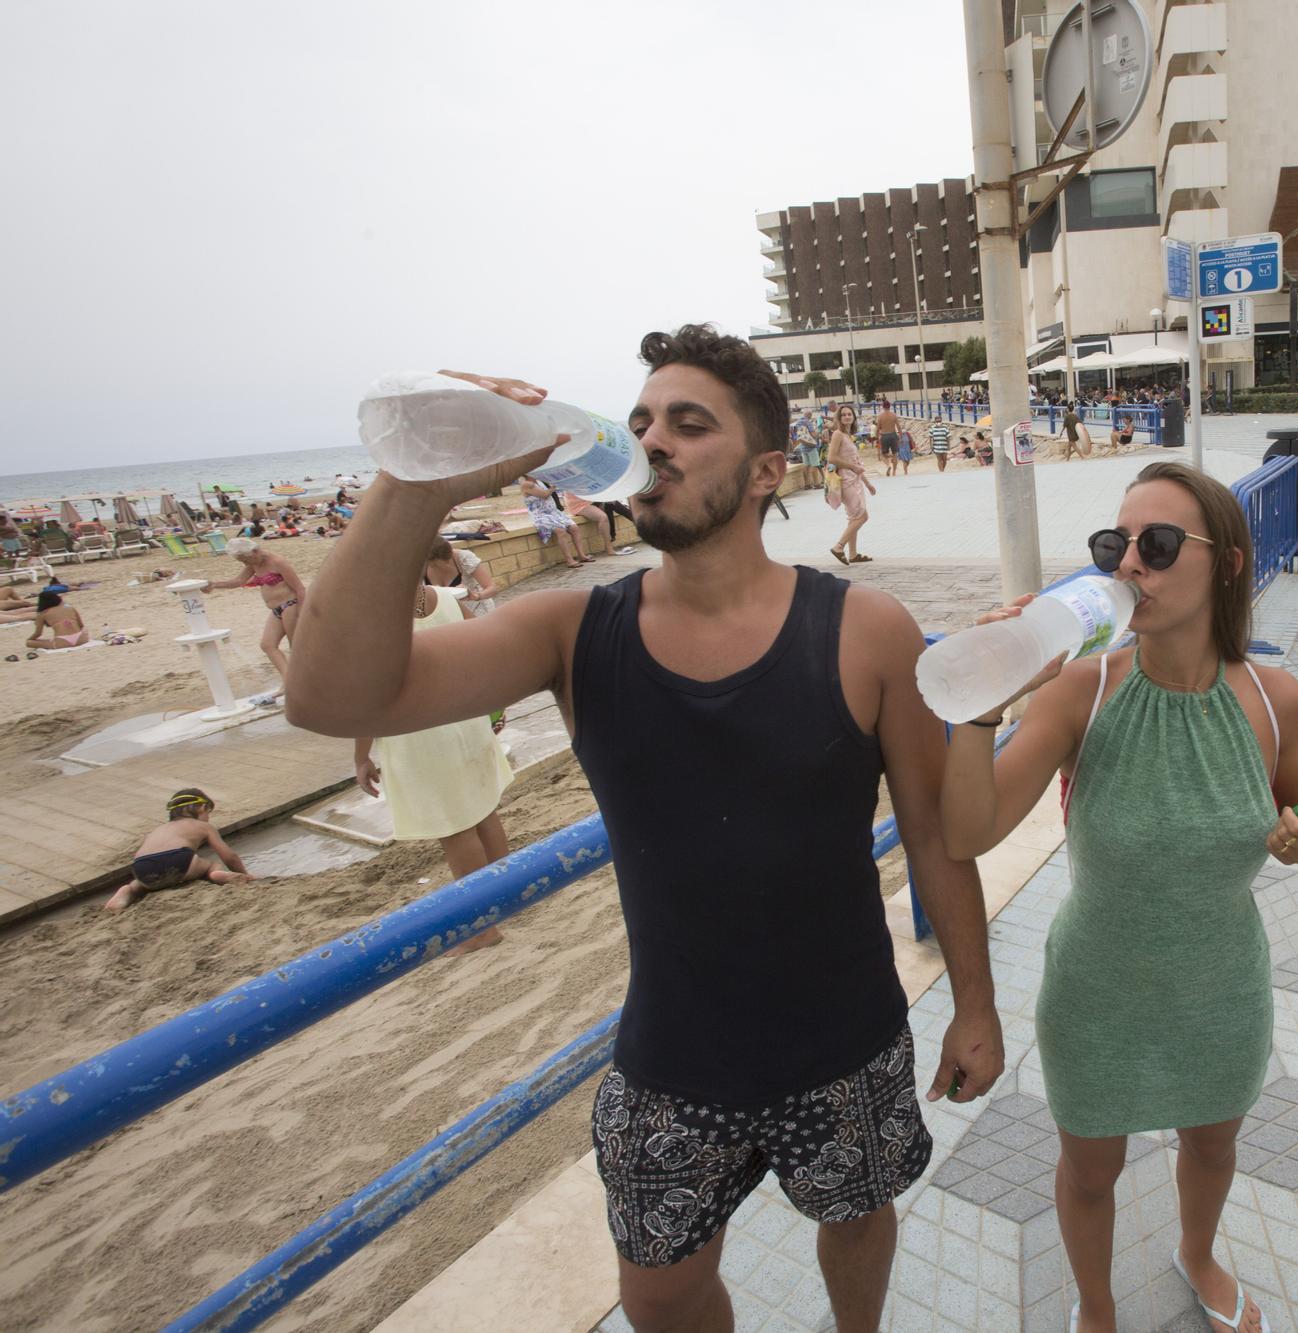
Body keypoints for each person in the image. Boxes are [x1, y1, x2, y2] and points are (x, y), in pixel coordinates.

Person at [286, 325, 1003, 1331]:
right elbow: (326, 693)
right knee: (657, 1292)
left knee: (855, 1214)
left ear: (763, 471)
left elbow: (932, 837)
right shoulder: (574, 633)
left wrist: (975, 1002)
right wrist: (417, 481)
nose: (652, 440)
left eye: (687, 422)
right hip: (673, 1057)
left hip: (848, 1043)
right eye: (639, 422)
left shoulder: (862, 629)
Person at [939, 460, 1298, 1333]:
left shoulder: (1277, 699)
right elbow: (968, 831)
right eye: (1116, 546)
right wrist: (978, 703)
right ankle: (1098, 1305)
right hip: (1097, 990)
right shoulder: (1085, 690)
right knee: (1088, 1170)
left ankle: (1197, 1253)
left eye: (1157, 545)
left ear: (1226, 562)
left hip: (1221, 985)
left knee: (1214, 1142)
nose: (1130, 568)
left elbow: (1295, 812)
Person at [353, 581, 513, 954]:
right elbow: (489, 644)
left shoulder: (378, 617)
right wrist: (494, 700)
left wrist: (361, 756)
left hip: (420, 732)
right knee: (483, 812)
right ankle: (510, 895)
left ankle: (482, 928)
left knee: (455, 828)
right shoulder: (443, 598)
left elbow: (368, 696)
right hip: (463, 716)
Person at [103, 788, 253, 912]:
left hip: (142, 868)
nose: (208, 818)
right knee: (210, 864)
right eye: (208, 813)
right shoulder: (204, 826)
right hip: (177, 861)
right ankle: (217, 874)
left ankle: (124, 893)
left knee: (136, 886)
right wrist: (244, 874)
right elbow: (229, 857)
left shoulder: (157, 830)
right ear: (202, 808)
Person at [210, 537, 306, 681]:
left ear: (255, 551)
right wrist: (213, 585)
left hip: (290, 605)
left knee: (296, 647)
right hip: (276, 609)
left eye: (246, 560)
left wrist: (303, 612)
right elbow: (239, 581)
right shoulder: (254, 562)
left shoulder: (277, 562)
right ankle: (288, 681)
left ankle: (303, 682)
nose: (245, 563)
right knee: (267, 645)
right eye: (242, 561)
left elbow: (299, 588)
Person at [825, 403, 877, 565]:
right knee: (862, 516)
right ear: (839, 418)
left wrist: (867, 484)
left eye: (850, 414)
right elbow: (831, 459)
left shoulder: (847, 436)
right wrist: (852, 467)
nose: (847, 416)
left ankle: (853, 554)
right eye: (844, 414)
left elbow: (856, 462)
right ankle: (839, 546)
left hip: (854, 479)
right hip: (845, 480)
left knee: (854, 517)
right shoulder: (838, 434)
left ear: (853, 417)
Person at [518, 475, 591, 567]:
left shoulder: (540, 481)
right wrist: (553, 487)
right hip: (540, 515)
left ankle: (582, 555)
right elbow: (545, 495)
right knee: (561, 531)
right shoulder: (527, 484)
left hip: (554, 513)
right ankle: (569, 560)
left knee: (574, 528)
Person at [425, 538, 499, 618]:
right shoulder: (420, 566)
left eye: (447, 561)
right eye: (434, 566)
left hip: (477, 611)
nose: (444, 566)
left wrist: (476, 596)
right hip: (448, 617)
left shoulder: (464, 558)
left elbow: (493, 588)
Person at [23, 589, 89, 650]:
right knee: (83, 630)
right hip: (81, 639)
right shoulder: (69, 607)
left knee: (29, 643)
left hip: (62, 642)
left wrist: (29, 639)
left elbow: (38, 633)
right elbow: (81, 626)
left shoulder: (42, 614)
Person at [875, 402, 903, 476]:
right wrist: (901, 437)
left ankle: (888, 466)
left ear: (883, 407)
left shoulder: (880, 416)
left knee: (883, 454)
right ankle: (894, 472)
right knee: (895, 454)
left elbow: (877, 429)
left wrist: (877, 438)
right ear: (890, 406)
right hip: (893, 435)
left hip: (884, 436)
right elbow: (899, 427)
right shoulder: (893, 415)